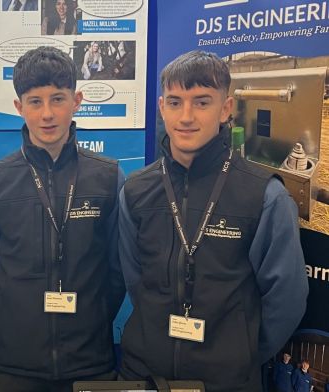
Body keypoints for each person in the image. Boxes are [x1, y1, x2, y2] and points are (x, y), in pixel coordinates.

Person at [118, 50, 308, 392]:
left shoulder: (264, 196)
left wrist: (239, 353)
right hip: (145, 376)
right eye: (175, 102)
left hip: (227, 382)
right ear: (161, 107)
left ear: (225, 108)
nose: (186, 116)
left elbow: (287, 298)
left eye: (201, 102)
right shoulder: (135, 190)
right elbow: (135, 279)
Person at [0, 46, 125, 392]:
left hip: (90, 362)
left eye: (58, 99)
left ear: (77, 100)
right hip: (14, 366)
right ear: (18, 107)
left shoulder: (108, 177)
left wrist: (95, 318)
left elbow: (117, 270)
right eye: (35, 102)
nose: (47, 114)